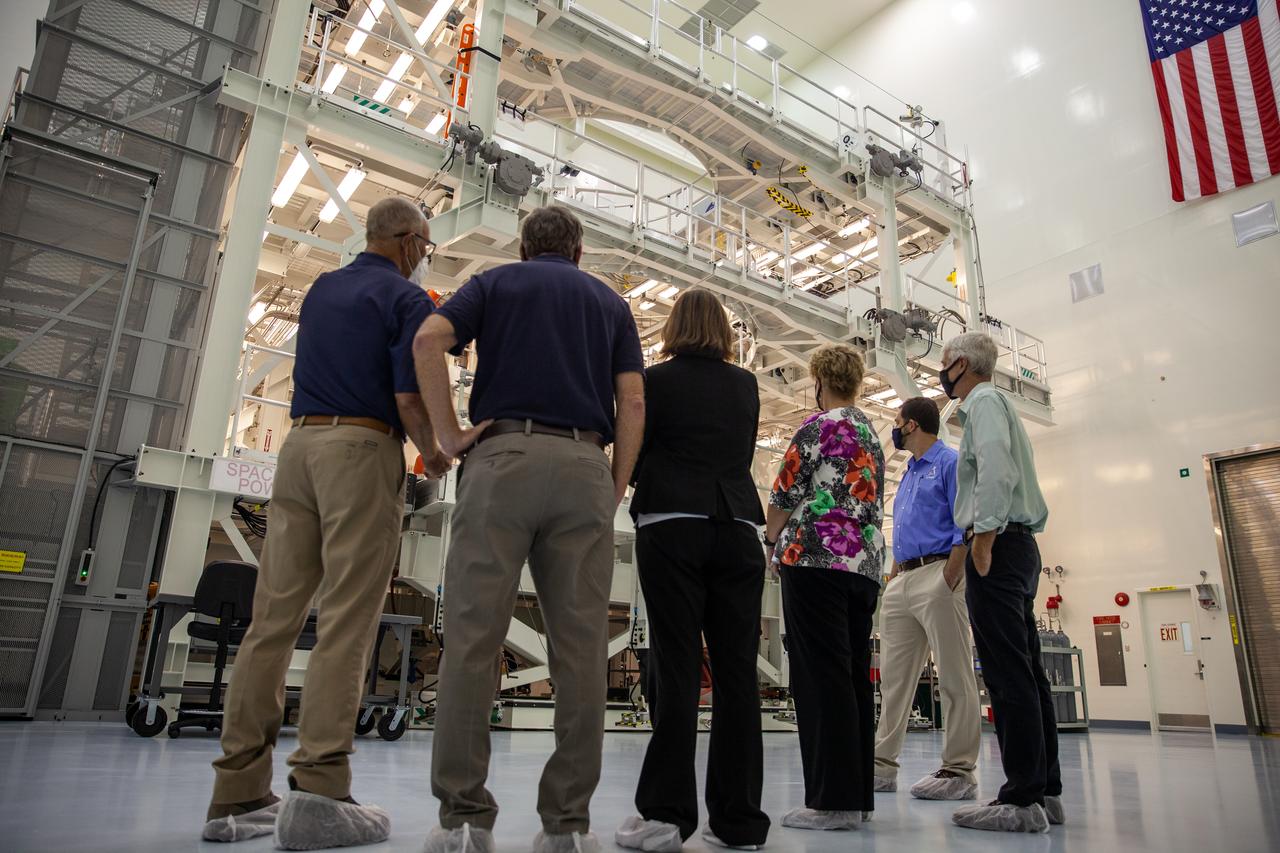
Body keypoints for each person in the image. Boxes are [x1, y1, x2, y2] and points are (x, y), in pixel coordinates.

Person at [205, 197, 449, 848]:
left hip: (300, 450)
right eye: (424, 246)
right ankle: (319, 788)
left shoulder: (322, 291)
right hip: (361, 451)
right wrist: (440, 448)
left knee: (271, 621)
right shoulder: (409, 302)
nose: (423, 256)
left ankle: (236, 796)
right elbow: (407, 398)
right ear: (406, 242)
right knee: (346, 619)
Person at [413, 205, 646, 853]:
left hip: (501, 458)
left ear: (524, 248)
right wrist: (614, 482)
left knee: (472, 639)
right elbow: (632, 400)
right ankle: (567, 826)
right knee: (579, 652)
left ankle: (463, 819)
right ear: (577, 251)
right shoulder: (610, 304)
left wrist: (449, 435)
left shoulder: (493, 284)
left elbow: (428, 341)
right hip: (582, 467)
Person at [614, 289, 771, 853]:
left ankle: (665, 816)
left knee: (677, 668)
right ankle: (739, 821)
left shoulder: (654, 382)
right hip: (736, 529)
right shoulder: (746, 386)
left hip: (671, 524)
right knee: (736, 678)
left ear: (674, 326)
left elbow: (637, 444)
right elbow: (740, 452)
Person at [939, 332, 1059, 834]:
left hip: (999, 546)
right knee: (1027, 672)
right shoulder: (998, 404)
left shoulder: (984, 402)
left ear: (961, 364)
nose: (940, 374)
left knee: (1008, 676)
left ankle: (1021, 799)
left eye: (944, 365)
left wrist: (983, 538)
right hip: (1019, 548)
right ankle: (1045, 791)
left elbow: (995, 471)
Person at [764, 344, 885, 832]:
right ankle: (856, 797)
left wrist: (771, 540)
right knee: (854, 677)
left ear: (819, 381)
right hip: (864, 565)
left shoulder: (816, 428)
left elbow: (784, 493)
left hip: (815, 559)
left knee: (819, 678)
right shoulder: (871, 436)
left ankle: (830, 802)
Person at [872, 396, 981, 801]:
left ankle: (959, 769)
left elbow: (964, 519)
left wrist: (952, 572)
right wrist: (895, 576)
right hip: (904, 577)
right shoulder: (909, 474)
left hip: (940, 572)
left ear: (913, 425)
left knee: (954, 675)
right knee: (895, 680)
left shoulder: (949, 464)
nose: (895, 429)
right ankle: (882, 765)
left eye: (898, 422)